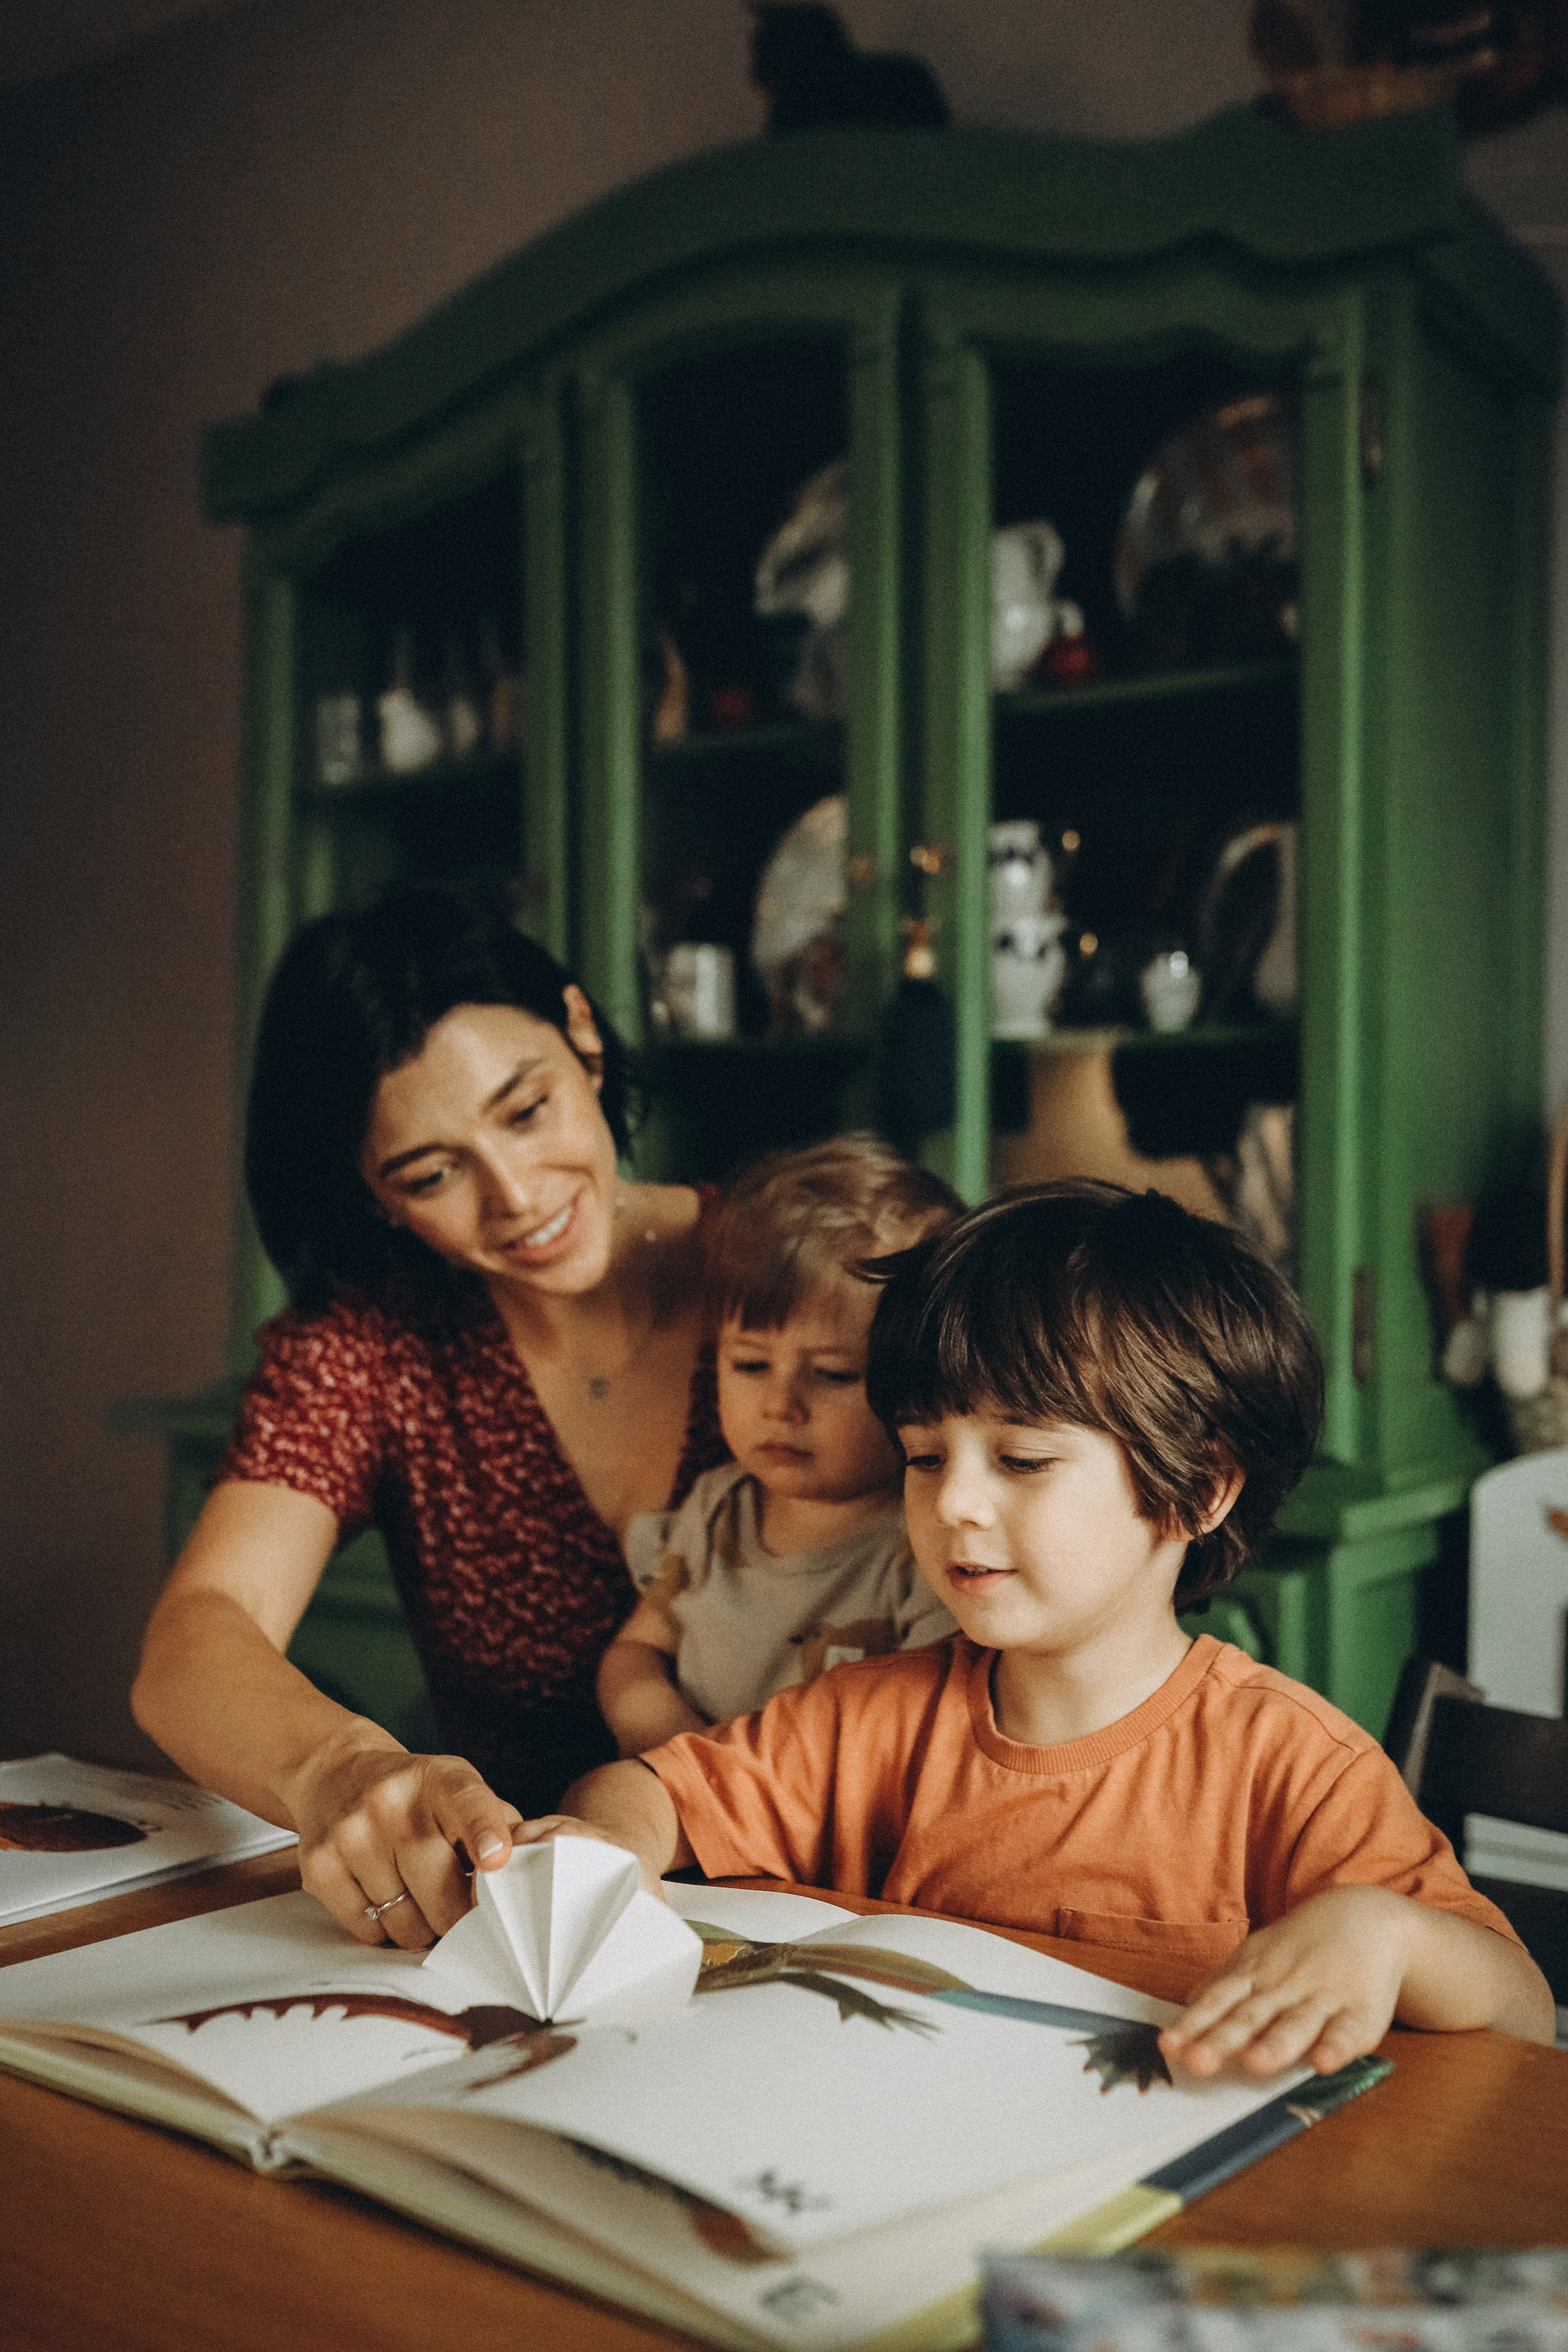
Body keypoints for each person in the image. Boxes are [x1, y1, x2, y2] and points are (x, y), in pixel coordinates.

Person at [522, 1182, 1556, 2074]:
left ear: (1198, 1489)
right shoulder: (866, 1718)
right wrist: (607, 1839)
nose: (954, 1504)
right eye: (926, 1457)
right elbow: (651, 1790)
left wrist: (1381, 1933)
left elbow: (1518, 2007)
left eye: (1020, 1461)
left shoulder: (1291, 1764)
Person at [132, 889, 726, 1951]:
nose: (515, 1197)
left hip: (873, 1909)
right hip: (520, 1950)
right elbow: (196, 1637)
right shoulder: (375, 1346)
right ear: (375, 1201)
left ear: (583, 1037)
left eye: (526, 1109)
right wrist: (337, 1766)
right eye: (433, 1172)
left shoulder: (809, 1272)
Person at [597, 1138, 960, 1755]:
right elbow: (635, 1655)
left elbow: (921, 1742)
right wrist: (686, 1756)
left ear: (919, 1379)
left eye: (832, 1374)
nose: (779, 1404)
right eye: (749, 1364)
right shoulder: (715, 1509)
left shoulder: (926, 1543)